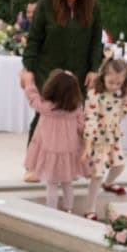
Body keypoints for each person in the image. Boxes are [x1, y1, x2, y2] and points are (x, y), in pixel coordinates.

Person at [22, 0, 105, 180]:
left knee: (77, 120)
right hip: (48, 73)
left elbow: (96, 42)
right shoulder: (46, 3)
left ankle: (75, 166)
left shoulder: (93, 7)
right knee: (43, 116)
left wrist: (94, 69)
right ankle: (34, 167)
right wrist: (28, 68)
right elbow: (34, 39)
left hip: (78, 76)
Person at [21, 68, 87, 214]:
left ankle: (51, 213)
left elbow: (33, 98)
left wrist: (29, 83)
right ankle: (68, 209)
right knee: (67, 182)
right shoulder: (76, 108)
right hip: (69, 151)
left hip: (50, 150)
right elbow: (82, 126)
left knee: (52, 184)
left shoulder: (46, 107)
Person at [83, 57, 127, 215]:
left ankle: (108, 184)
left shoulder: (119, 95)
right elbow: (90, 119)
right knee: (97, 174)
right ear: (103, 76)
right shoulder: (95, 95)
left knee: (119, 165)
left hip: (113, 138)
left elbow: (124, 112)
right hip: (98, 139)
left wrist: (125, 98)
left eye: (119, 83)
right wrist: (88, 144)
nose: (114, 86)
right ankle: (90, 209)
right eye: (111, 82)